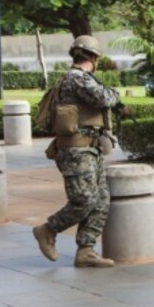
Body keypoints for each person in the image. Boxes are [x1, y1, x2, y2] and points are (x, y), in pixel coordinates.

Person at [32, 35, 126, 268]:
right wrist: (116, 95)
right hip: (76, 151)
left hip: (90, 149)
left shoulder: (81, 79)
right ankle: (47, 229)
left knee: (101, 201)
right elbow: (103, 98)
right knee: (84, 200)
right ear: (93, 57)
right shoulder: (77, 79)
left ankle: (86, 250)